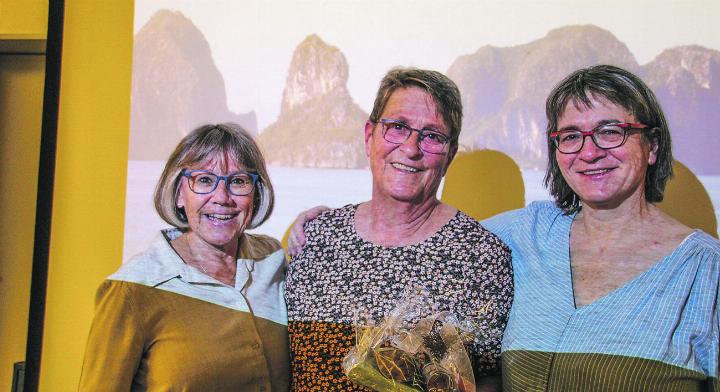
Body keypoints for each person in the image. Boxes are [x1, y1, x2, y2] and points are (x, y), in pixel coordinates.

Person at [289, 65, 720, 391]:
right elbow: (417, 230)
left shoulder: (705, 270)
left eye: (610, 132)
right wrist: (323, 220)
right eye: (571, 136)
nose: (589, 152)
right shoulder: (530, 233)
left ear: (653, 146)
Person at [285, 67, 513, 391]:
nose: (411, 148)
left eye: (432, 136)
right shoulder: (317, 238)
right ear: (369, 136)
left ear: (450, 156)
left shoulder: (480, 257)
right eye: (397, 127)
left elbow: (492, 378)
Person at [79, 124, 289, 391]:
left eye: (238, 181)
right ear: (179, 193)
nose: (222, 198)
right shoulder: (132, 291)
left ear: (256, 194)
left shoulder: (272, 261)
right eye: (204, 180)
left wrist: (311, 225)